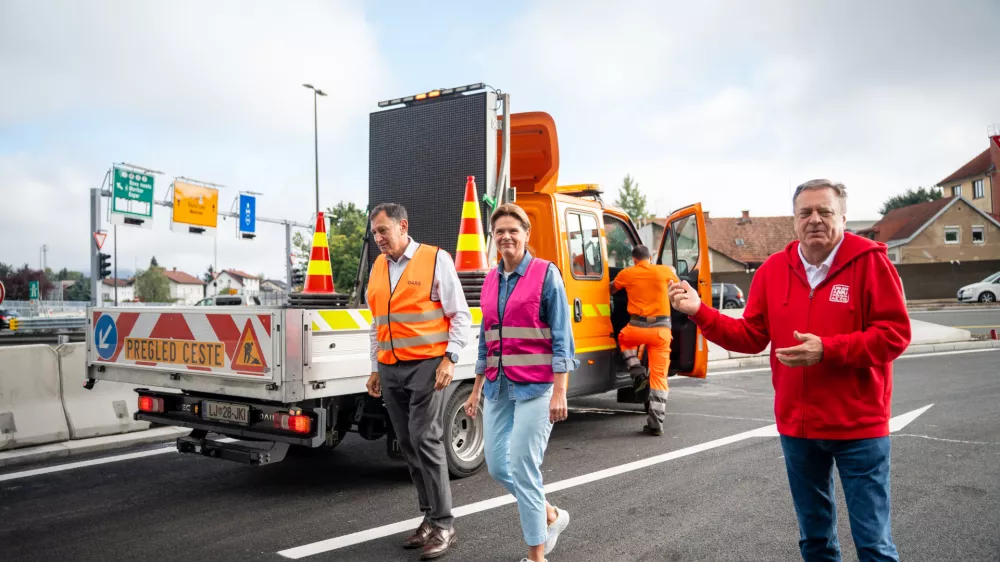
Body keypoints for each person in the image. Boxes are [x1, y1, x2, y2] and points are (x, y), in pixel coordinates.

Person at [668, 179, 911, 562]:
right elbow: (750, 336)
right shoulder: (772, 271)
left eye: (825, 212)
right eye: (805, 213)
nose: (815, 220)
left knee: (874, 544)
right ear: (794, 220)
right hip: (798, 428)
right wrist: (700, 311)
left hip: (859, 427)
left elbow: (894, 335)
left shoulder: (870, 263)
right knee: (815, 541)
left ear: (842, 218)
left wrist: (827, 350)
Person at [462, 203, 576, 562]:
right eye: (500, 232)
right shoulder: (491, 278)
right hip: (498, 386)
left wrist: (561, 391)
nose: (506, 236)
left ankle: (536, 556)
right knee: (498, 466)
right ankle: (551, 516)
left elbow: (562, 340)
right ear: (492, 239)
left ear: (527, 234)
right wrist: (476, 388)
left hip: (538, 388)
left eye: (514, 230)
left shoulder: (546, 275)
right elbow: (486, 337)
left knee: (524, 466)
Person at [364, 202, 471, 560]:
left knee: (426, 439)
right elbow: (376, 322)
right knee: (407, 443)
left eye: (383, 230)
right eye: (375, 232)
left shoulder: (435, 259)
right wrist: (376, 367)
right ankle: (429, 517)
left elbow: (460, 315)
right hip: (391, 367)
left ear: (403, 226)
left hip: (428, 366)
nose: (378, 238)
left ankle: (444, 524)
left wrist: (450, 358)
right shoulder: (378, 266)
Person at [610, 244, 680, 436]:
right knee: (659, 377)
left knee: (624, 338)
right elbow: (678, 286)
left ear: (634, 259)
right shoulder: (664, 271)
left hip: (637, 328)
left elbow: (611, 289)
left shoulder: (627, 273)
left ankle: (637, 372)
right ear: (650, 257)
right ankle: (656, 423)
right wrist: (671, 273)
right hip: (661, 332)